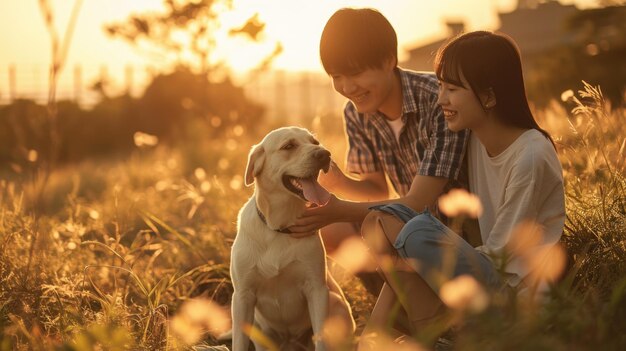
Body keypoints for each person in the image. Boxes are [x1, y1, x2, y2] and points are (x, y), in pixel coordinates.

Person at [353, 30, 564, 349]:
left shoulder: (530, 157)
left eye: (452, 89)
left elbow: (503, 263)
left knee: (416, 231)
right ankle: (432, 334)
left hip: (512, 295)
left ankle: (445, 335)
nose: (441, 100)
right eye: (439, 87)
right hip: (480, 273)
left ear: (489, 97)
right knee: (380, 222)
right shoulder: (475, 137)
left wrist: (429, 258)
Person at [289, 8, 470, 297]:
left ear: (389, 60)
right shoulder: (357, 113)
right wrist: (336, 183)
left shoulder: (437, 100)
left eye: (357, 73)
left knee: (354, 219)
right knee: (332, 228)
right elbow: (374, 190)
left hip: (455, 233)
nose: (347, 87)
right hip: (403, 226)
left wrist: (338, 210)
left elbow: (417, 203)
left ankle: (421, 303)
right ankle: (398, 302)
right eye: (337, 76)